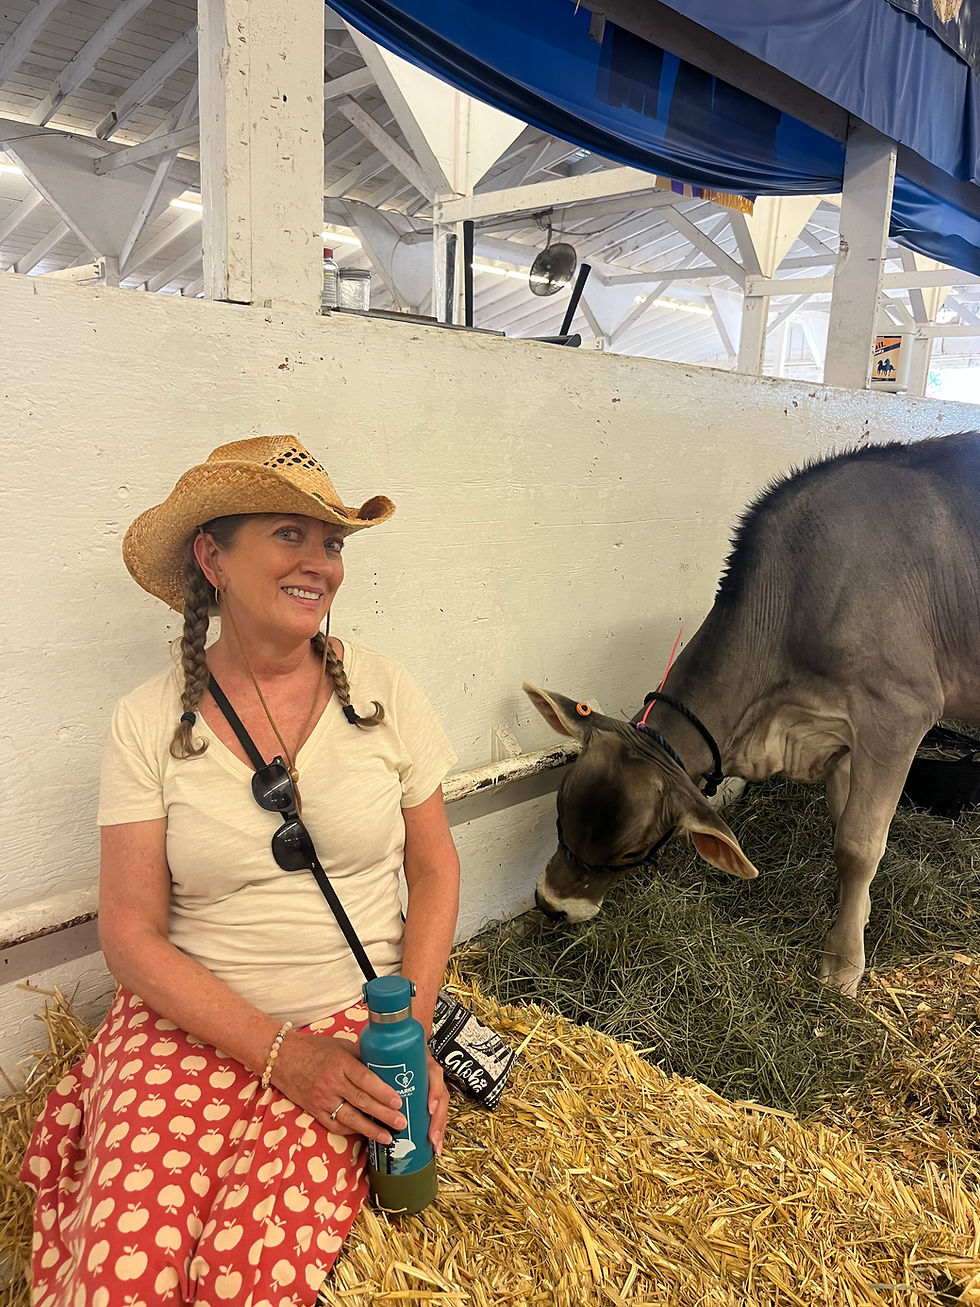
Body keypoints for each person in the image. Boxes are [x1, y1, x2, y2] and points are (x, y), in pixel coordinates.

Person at [20, 435, 461, 1307]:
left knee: (245, 1275)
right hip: (191, 1021)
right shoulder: (147, 721)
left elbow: (437, 866)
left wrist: (403, 1040)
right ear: (212, 557)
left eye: (331, 543)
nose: (319, 564)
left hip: (352, 1022)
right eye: (289, 535)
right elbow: (131, 933)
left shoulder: (385, 692)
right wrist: (280, 1054)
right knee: (122, 1268)